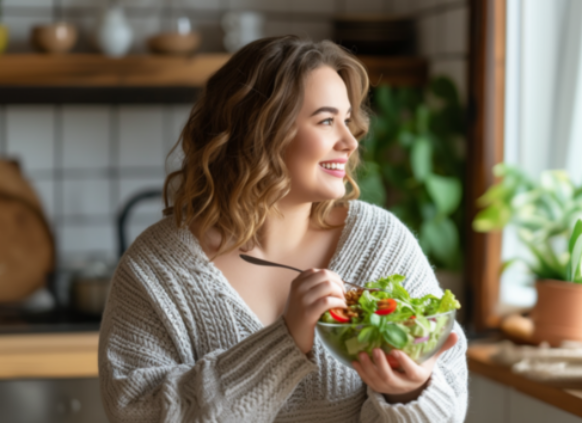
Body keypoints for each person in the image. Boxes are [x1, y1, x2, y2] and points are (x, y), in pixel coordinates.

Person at [98, 35, 468, 422]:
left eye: (347, 120)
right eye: (326, 120)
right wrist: (284, 342)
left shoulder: (381, 245)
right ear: (260, 131)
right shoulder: (157, 270)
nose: (349, 142)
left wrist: (409, 393)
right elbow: (137, 414)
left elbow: (448, 408)